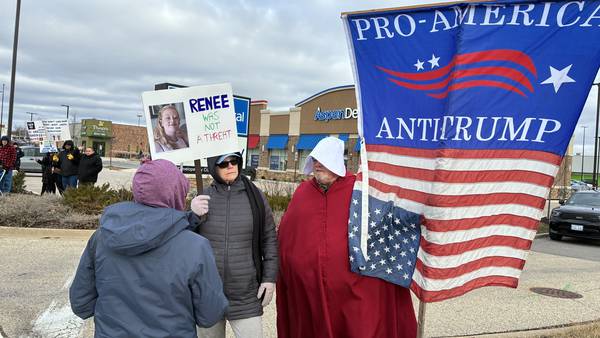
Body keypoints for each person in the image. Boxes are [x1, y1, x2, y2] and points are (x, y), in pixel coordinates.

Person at [69, 159, 228, 337]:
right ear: (177, 193)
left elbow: (81, 304)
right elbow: (210, 314)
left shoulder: (101, 237)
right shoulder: (196, 246)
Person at [276, 137, 417, 338]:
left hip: (354, 290)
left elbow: (386, 223)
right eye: (315, 160)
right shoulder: (302, 193)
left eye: (323, 160)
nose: (317, 165)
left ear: (335, 161)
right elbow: (286, 238)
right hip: (310, 292)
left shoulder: (359, 190)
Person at [196, 152, 278, 338]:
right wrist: (192, 216)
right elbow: (189, 242)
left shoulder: (256, 196)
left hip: (246, 296)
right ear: (213, 168)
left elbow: (269, 238)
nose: (231, 166)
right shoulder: (203, 197)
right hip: (209, 295)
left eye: (234, 161)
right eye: (223, 164)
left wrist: (269, 278)